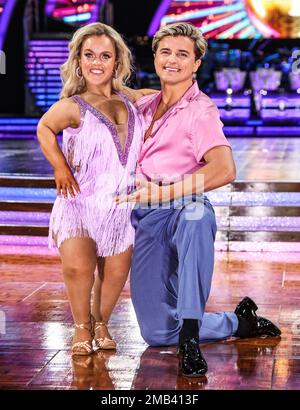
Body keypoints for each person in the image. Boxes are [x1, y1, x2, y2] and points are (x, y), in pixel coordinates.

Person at [116, 22, 281, 377]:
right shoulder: (146, 105)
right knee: (157, 333)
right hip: (147, 214)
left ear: (196, 63)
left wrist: (166, 191)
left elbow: (224, 169)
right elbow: (117, 90)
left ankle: (190, 335)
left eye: (182, 54)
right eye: (165, 52)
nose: (172, 60)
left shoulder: (200, 111)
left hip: (183, 202)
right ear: (155, 57)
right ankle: (237, 322)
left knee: (196, 217)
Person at [37, 22, 153, 356]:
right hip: (79, 202)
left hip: (121, 205)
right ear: (79, 60)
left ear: (117, 62)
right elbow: (44, 128)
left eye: (105, 55)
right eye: (89, 55)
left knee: (115, 273)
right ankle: (81, 327)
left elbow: (163, 97)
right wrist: (59, 166)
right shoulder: (72, 105)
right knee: (78, 268)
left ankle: (100, 322)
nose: (97, 62)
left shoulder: (130, 99)